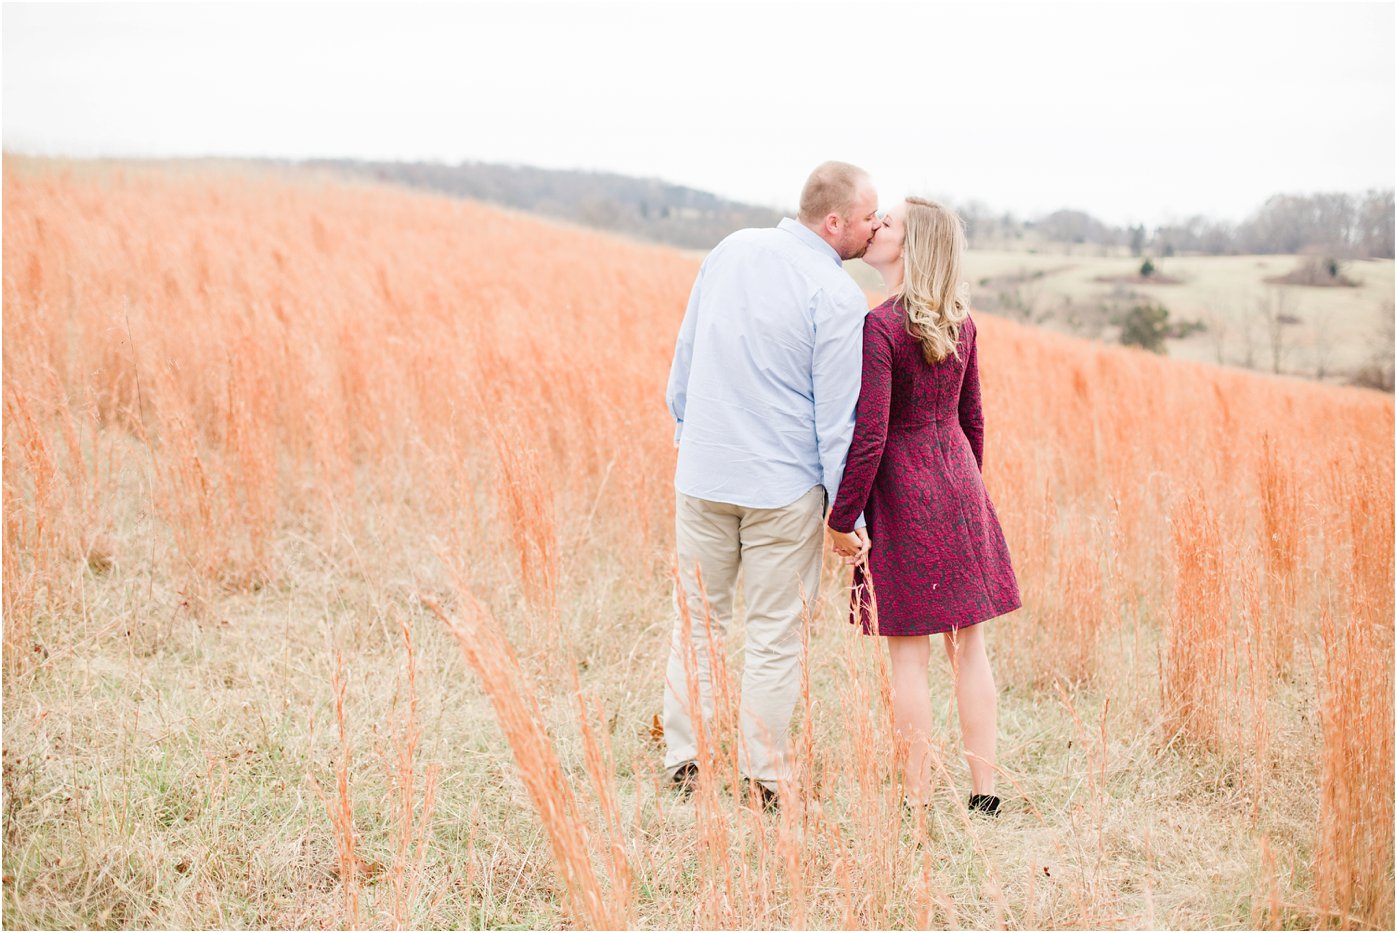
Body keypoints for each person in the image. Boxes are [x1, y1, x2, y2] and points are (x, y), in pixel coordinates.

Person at [662, 161, 881, 811]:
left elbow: (686, 358)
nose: (875, 228)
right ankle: (764, 777)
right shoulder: (839, 297)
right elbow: (835, 422)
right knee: (774, 633)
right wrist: (848, 517)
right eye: (868, 217)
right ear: (834, 221)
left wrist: (690, 437)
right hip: (780, 492)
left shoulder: (730, 250)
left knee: (697, 622)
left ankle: (685, 760)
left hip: (701, 473)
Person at [825, 197, 1020, 818]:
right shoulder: (960, 322)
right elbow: (974, 423)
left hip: (903, 496)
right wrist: (969, 496)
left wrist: (841, 516)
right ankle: (983, 793)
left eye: (889, 225)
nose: (876, 227)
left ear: (912, 247)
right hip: (959, 487)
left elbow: (871, 434)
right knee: (971, 649)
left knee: (908, 654)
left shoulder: (880, 327)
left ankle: (912, 802)